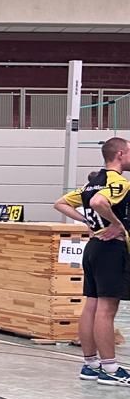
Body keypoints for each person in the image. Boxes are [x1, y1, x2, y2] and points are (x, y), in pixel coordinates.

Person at [54, 137, 130, 384]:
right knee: (107, 309)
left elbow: (60, 203)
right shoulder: (119, 182)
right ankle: (110, 369)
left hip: (93, 247)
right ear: (120, 154)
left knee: (92, 306)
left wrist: (88, 221)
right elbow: (99, 202)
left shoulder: (91, 184)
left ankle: (90, 364)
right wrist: (117, 224)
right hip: (111, 249)